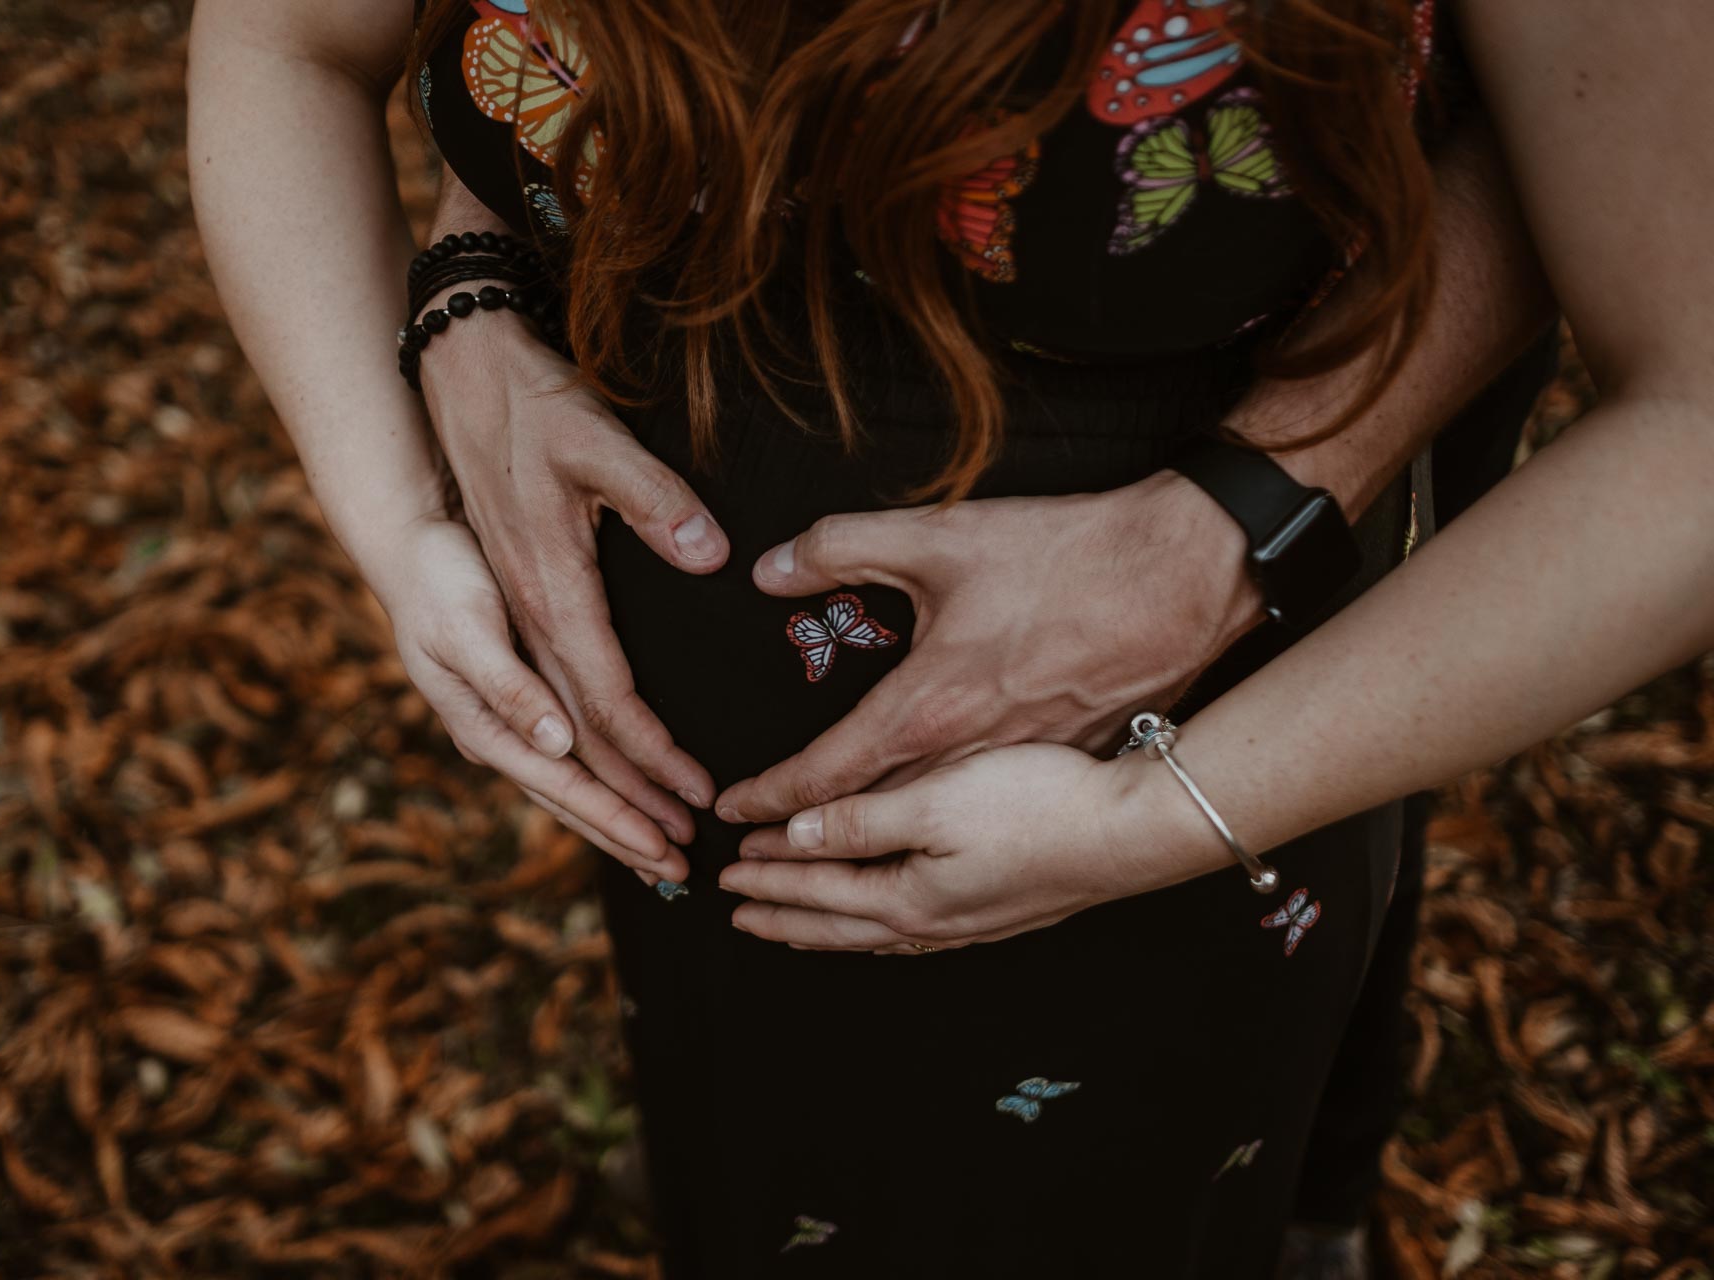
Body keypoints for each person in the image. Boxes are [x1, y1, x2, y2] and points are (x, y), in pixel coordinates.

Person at [188, 1, 1707, 1273]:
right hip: (716, 851)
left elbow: (1669, 371)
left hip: (1164, 795)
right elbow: (289, 48)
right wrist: (427, 424)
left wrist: (1156, 773)